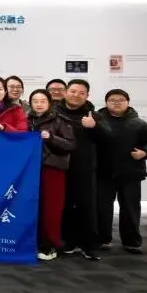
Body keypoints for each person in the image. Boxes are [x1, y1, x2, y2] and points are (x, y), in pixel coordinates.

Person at [95, 89, 147, 254]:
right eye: (112, 100)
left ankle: (132, 241)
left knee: (130, 208)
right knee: (102, 208)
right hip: (103, 172)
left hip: (131, 172)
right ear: (106, 103)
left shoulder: (138, 123)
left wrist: (145, 153)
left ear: (128, 102)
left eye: (121, 100)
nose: (117, 103)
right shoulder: (96, 121)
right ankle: (102, 239)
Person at [54, 79, 107, 261]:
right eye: (73, 91)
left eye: (81, 93)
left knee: (87, 206)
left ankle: (88, 244)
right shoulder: (54, 113)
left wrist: (95, 127)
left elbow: (110, 139)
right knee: (63, 205)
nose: (76, 95)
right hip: (59, 166)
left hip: (85, 167)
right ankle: (67, 241)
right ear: (65, 92)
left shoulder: (95, 115)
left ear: (87, 95)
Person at [27, 89, 76, 261]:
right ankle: (32, 242)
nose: (39, 104)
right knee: (31, 207)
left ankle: (50, 244)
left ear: (49, 103)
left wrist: (51, 138)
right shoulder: (26, 119)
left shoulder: (60, 120)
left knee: (51, 208)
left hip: (52, 168)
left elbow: (71, 145)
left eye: (43, 101)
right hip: (30, 170)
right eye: (35, 101)